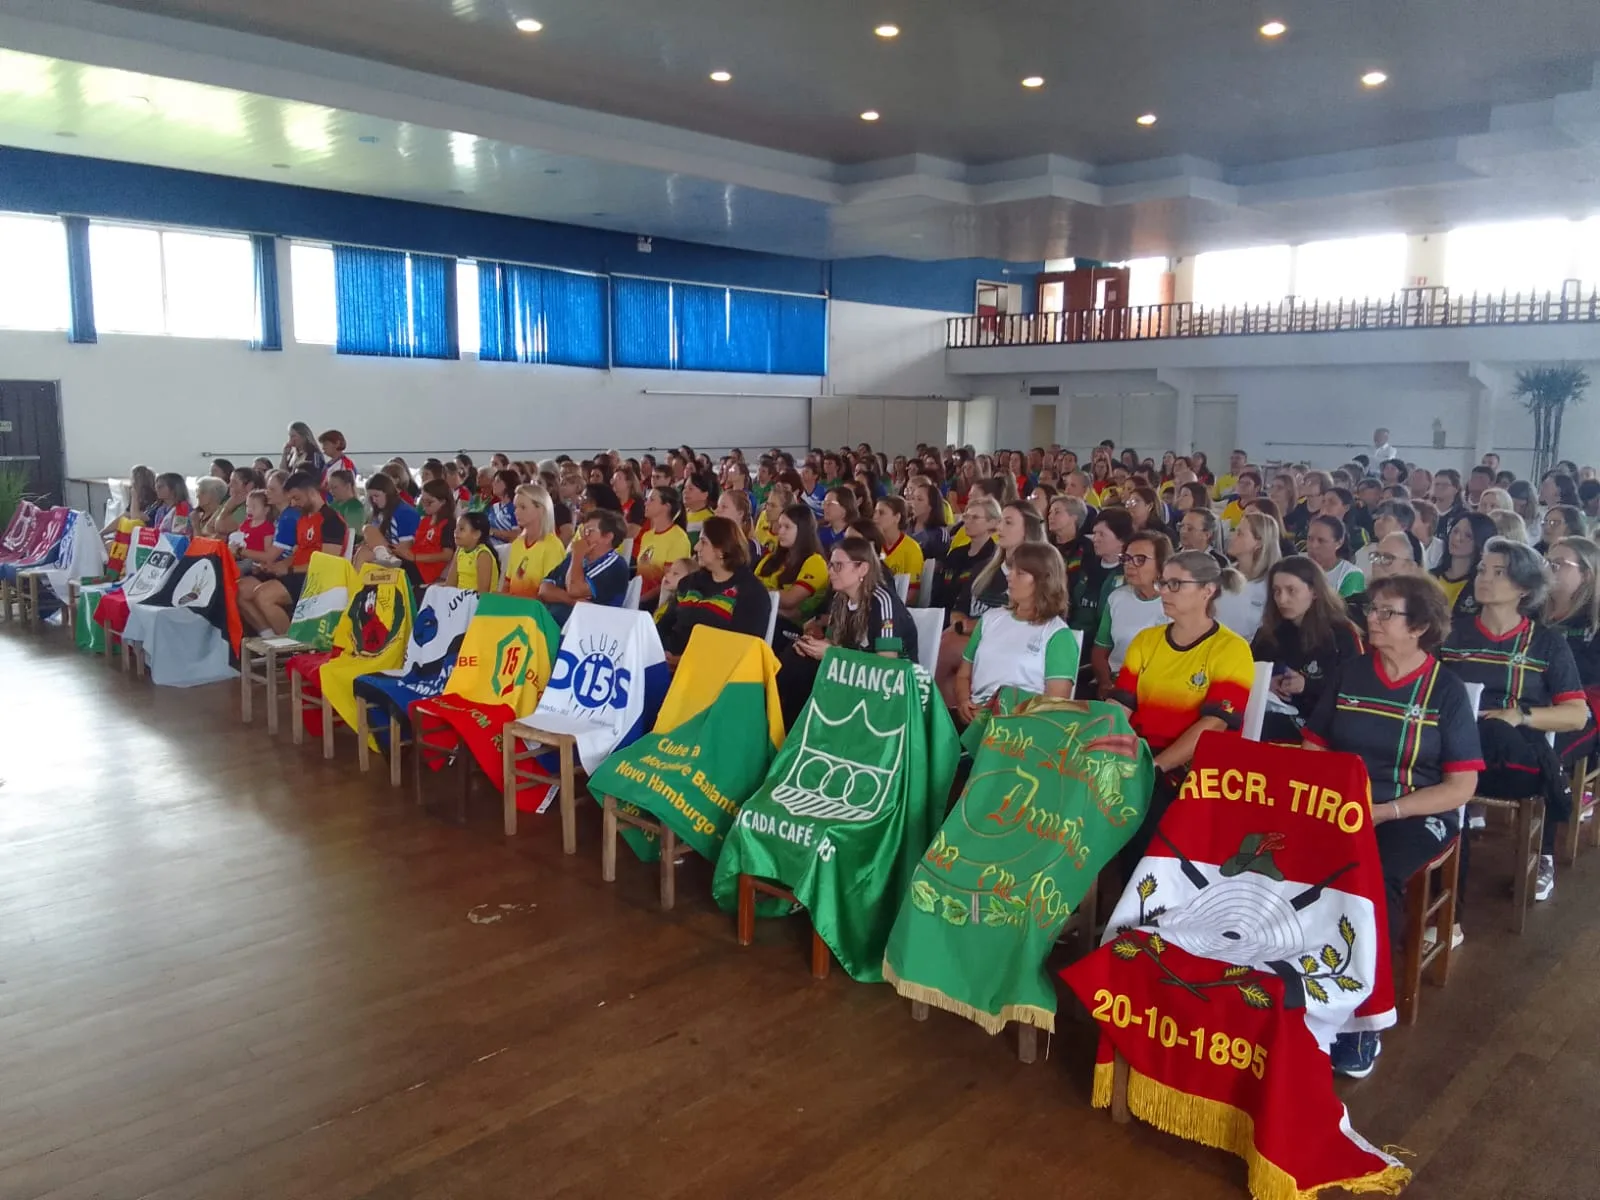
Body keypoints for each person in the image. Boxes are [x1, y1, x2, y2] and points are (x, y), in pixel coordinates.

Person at [1302, 574, 1481, 1078]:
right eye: (1371, 610)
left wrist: (1385, 811)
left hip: (1414, 813)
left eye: (1386, 613)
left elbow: (1460, 788)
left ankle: (1364, 1022)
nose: (1372, 620)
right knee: (1281, 857)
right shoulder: (1350, 672)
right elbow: (1315, 746)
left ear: (1420, 626)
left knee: (1373, 878)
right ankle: (1299, 984)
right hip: (1342, 805)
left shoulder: (1444, 690)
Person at [1441, 537, 1590, 901]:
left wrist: (1520, 716)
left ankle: (1541, 856)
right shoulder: (1451, 633)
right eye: (1481, 570)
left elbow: (1575, 716)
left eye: (1499, 572)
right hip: (1454, 749)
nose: (1484, 578)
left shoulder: (1546, 643)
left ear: (1524, 587)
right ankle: (1443, 890)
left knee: (1492, 732)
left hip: (1510, 761)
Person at [1109, 550, 1256, 864]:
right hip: (1140, 758)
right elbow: (1119, 707)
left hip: (1193, 772)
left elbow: (1214, 725)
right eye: (1163, 582)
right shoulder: (1145, 641)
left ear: (1208, 590)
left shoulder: (1231, 649)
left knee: (1145, 816)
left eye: (1176, 584)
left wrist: (1155, 767)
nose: (1163, 591)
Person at [776, 535, 918, 727]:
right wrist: (815, 647)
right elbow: (836, 646)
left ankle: (793, 731)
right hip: (852, 674)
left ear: (862, 568)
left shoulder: (882, 602)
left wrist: (832, 653)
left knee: (800, 672)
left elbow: (887, 666)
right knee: (796, 657)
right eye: (830, 565)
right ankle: (784, 730)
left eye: (838, 566)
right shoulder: (840, 599)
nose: (830, 572)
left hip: (890, 687)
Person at [953, 542, 1080, 725]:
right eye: (1011, 569)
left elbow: (1055, 705)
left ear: (1043, 580)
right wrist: (964, 702)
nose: (1009, 577)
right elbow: (963, 675)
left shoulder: (1057, 635)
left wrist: (999, 717)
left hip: (1019, 729)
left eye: (1020, 573)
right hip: (975, 718)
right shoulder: (990, 619)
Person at [1251, 555, 1364, 742]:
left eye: (1291, 590)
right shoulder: (1269, 632)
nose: (1282, 599)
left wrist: (1307, 686)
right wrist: (1266, 685)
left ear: (1314, 591)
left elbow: (1354, 690)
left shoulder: (1342, 634)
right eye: (1276, 591)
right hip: (1273, 714)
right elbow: (1249, 670)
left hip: (1322, 724)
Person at [236, 471, 349, 636]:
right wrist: (279, 565)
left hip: (315, 578)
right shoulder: (304, 518)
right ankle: (270, 637)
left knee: (263, 596)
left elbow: (328, 563)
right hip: (297, 574)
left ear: (311, 493)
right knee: (241, 590)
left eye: (297, 498)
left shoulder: (331, 520)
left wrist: (289, 570)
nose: (294, 504)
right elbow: (300, 552)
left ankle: (291, 646)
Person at [654, 515, 771, 662]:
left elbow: (743, 648)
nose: (696, 548)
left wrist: (685, 660)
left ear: (722, 550)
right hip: (668, 662)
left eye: (703, 543)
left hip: (714, 671)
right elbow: (664, 625)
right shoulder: (690, 582)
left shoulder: (751, 593)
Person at [1544, 536, 1600, 775]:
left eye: (1558, 564)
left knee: (1539, 758)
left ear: (1586, 574)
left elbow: (1589, 674)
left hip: (1583, 707)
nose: (1548, 570)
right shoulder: (1532, 613)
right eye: (1546, 563)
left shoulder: (1594, 624)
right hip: (1535, 701)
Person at [1092, 531, 1171, 696]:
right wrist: (1106, 682)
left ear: (1162, 565)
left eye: (1140, 560)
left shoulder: (1175, 602)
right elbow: (1101, 649)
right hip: (1117, 682)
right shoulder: (1117, 598)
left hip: (1159, 688)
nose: (1129, 565)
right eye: (1126, 558)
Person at [539, 509, 631, 626]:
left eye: (589, 531)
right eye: (583, 530)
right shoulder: (575, 557)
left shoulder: (616, 565)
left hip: (590, 628)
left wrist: (577, 555)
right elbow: (544, 589)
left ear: (608, 537)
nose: (583, 536)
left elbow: (574, 589)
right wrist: (573, 601)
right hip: (560, 621)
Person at [755, 503, 830, 642]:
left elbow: (790, 601)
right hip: (763, 615)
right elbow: (749, 586)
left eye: (787, 527)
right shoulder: (771, 558)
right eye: (780, 526)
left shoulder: (815, 562)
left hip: (792, 629)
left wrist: (759, 593)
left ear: (803, 531)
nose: (780, 531)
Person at [1216, 510, 1282, 640]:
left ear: (1258, 543)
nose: (1232, 536)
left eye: (1240, 534)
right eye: (1235, 531)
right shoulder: (1224, 575)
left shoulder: (1271, 584)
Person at [1432, 511, 1497, 621]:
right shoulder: (1430, 576)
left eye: (1468, 535)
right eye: (1455, 531)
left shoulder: (1482, 584)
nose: (1457, 538)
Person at [874, 496, 926, 603]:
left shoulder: (912, 548)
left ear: (897, 518)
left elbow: (913, 591)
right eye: (875, 512)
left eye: (881, 513)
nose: (875, 517)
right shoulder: (872, 545)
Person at [1305, 514, 1364, 598]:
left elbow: (1343, 609)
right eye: (1310, 539)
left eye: (1321, 541)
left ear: (1339, 543)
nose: (1313, 546)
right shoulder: (1298, 570)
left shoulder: (1351, 574)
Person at [449, 510, 499, 594]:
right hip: (459, 601)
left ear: (476, 534)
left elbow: (482, 593)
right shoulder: (460, 550)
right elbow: (449, 584)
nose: (455, 532)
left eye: (461, 529)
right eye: (456, 528)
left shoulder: (483, 555)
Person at [232, 489, 277, 573]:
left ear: (266, 510)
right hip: (240, 558)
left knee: (245, 564)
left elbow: (267, 552)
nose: (249, 510)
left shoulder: (268, 528)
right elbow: (237, 538)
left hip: (254, 563)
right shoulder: (245, 523)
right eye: (248, 506)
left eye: (254, 507)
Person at [907, 479, 950, 560]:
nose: (913, 503)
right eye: (913, 498)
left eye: (919, 499)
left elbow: (938, 565)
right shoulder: (905, 526)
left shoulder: (939, 534)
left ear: (931, 505)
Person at [818, 486, 858, 553]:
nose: (824, 507)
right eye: (824, 503)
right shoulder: (819, 531)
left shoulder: (854, 535)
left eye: (829, 504)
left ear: (845, 507)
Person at [682, 471, 718, 544]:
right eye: (684, 488)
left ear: (704, 495)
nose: (685, 492)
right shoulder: (679, 515)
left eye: (690, 489)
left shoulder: (711, 520)